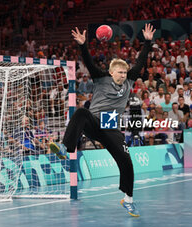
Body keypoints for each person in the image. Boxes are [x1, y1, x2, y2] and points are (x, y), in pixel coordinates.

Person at [49, 24, 155, 217]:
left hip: (111, 126)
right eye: (120, 73)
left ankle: (128, 200)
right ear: (112, 72)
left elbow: (140, 61)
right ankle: (65, 148)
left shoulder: (130, 80)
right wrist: (82, 45)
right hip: (94, 121)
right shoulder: (100, 78)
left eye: (125, 73)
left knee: (126, 161)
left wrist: (147, 42)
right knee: (81, 112)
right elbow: (89, 62)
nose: (123, 75)